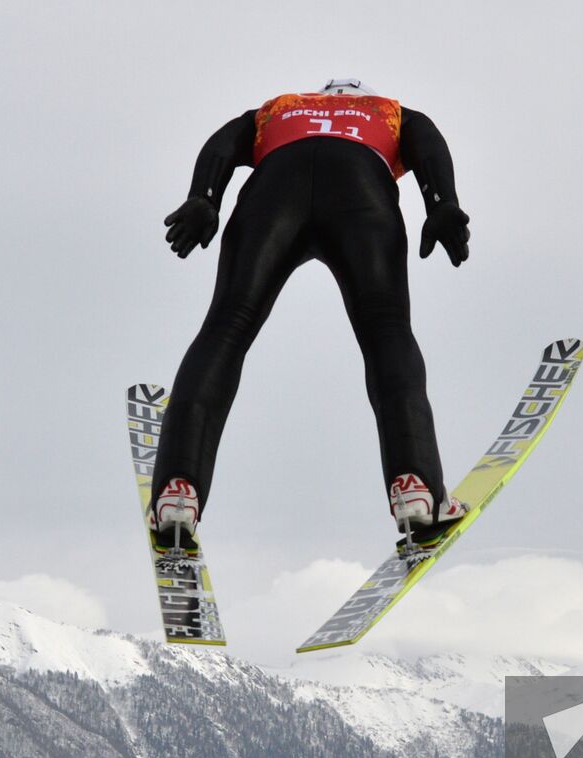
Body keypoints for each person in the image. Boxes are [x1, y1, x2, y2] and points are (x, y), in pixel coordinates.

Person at [151, 78, 472, 546]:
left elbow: (223, 142)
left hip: (274, 186)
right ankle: (416, 486)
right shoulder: (389, 111)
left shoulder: (278, 108)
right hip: (361, 187)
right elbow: (429, 144)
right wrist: (442, 204)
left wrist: (204, 196)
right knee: (386, 331)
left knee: (226, 328)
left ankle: (177, 491)